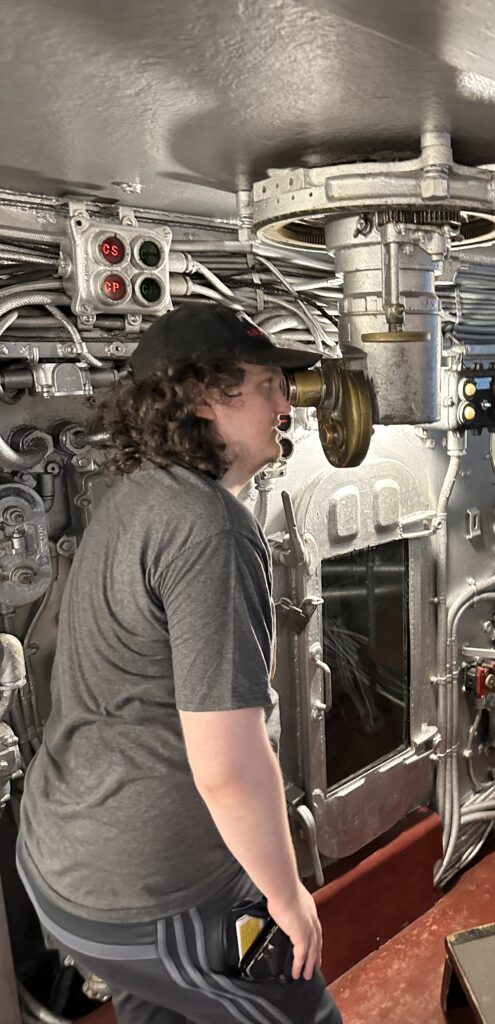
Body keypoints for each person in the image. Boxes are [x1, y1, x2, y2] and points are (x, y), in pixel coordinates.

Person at [16, 304, 343, 1024]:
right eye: (266, 385)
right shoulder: (210, 527)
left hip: (66, 874)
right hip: (158, 893)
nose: (287, 404)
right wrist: (286, 898)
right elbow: (227, 765)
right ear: (201, 396)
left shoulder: (133, 498)